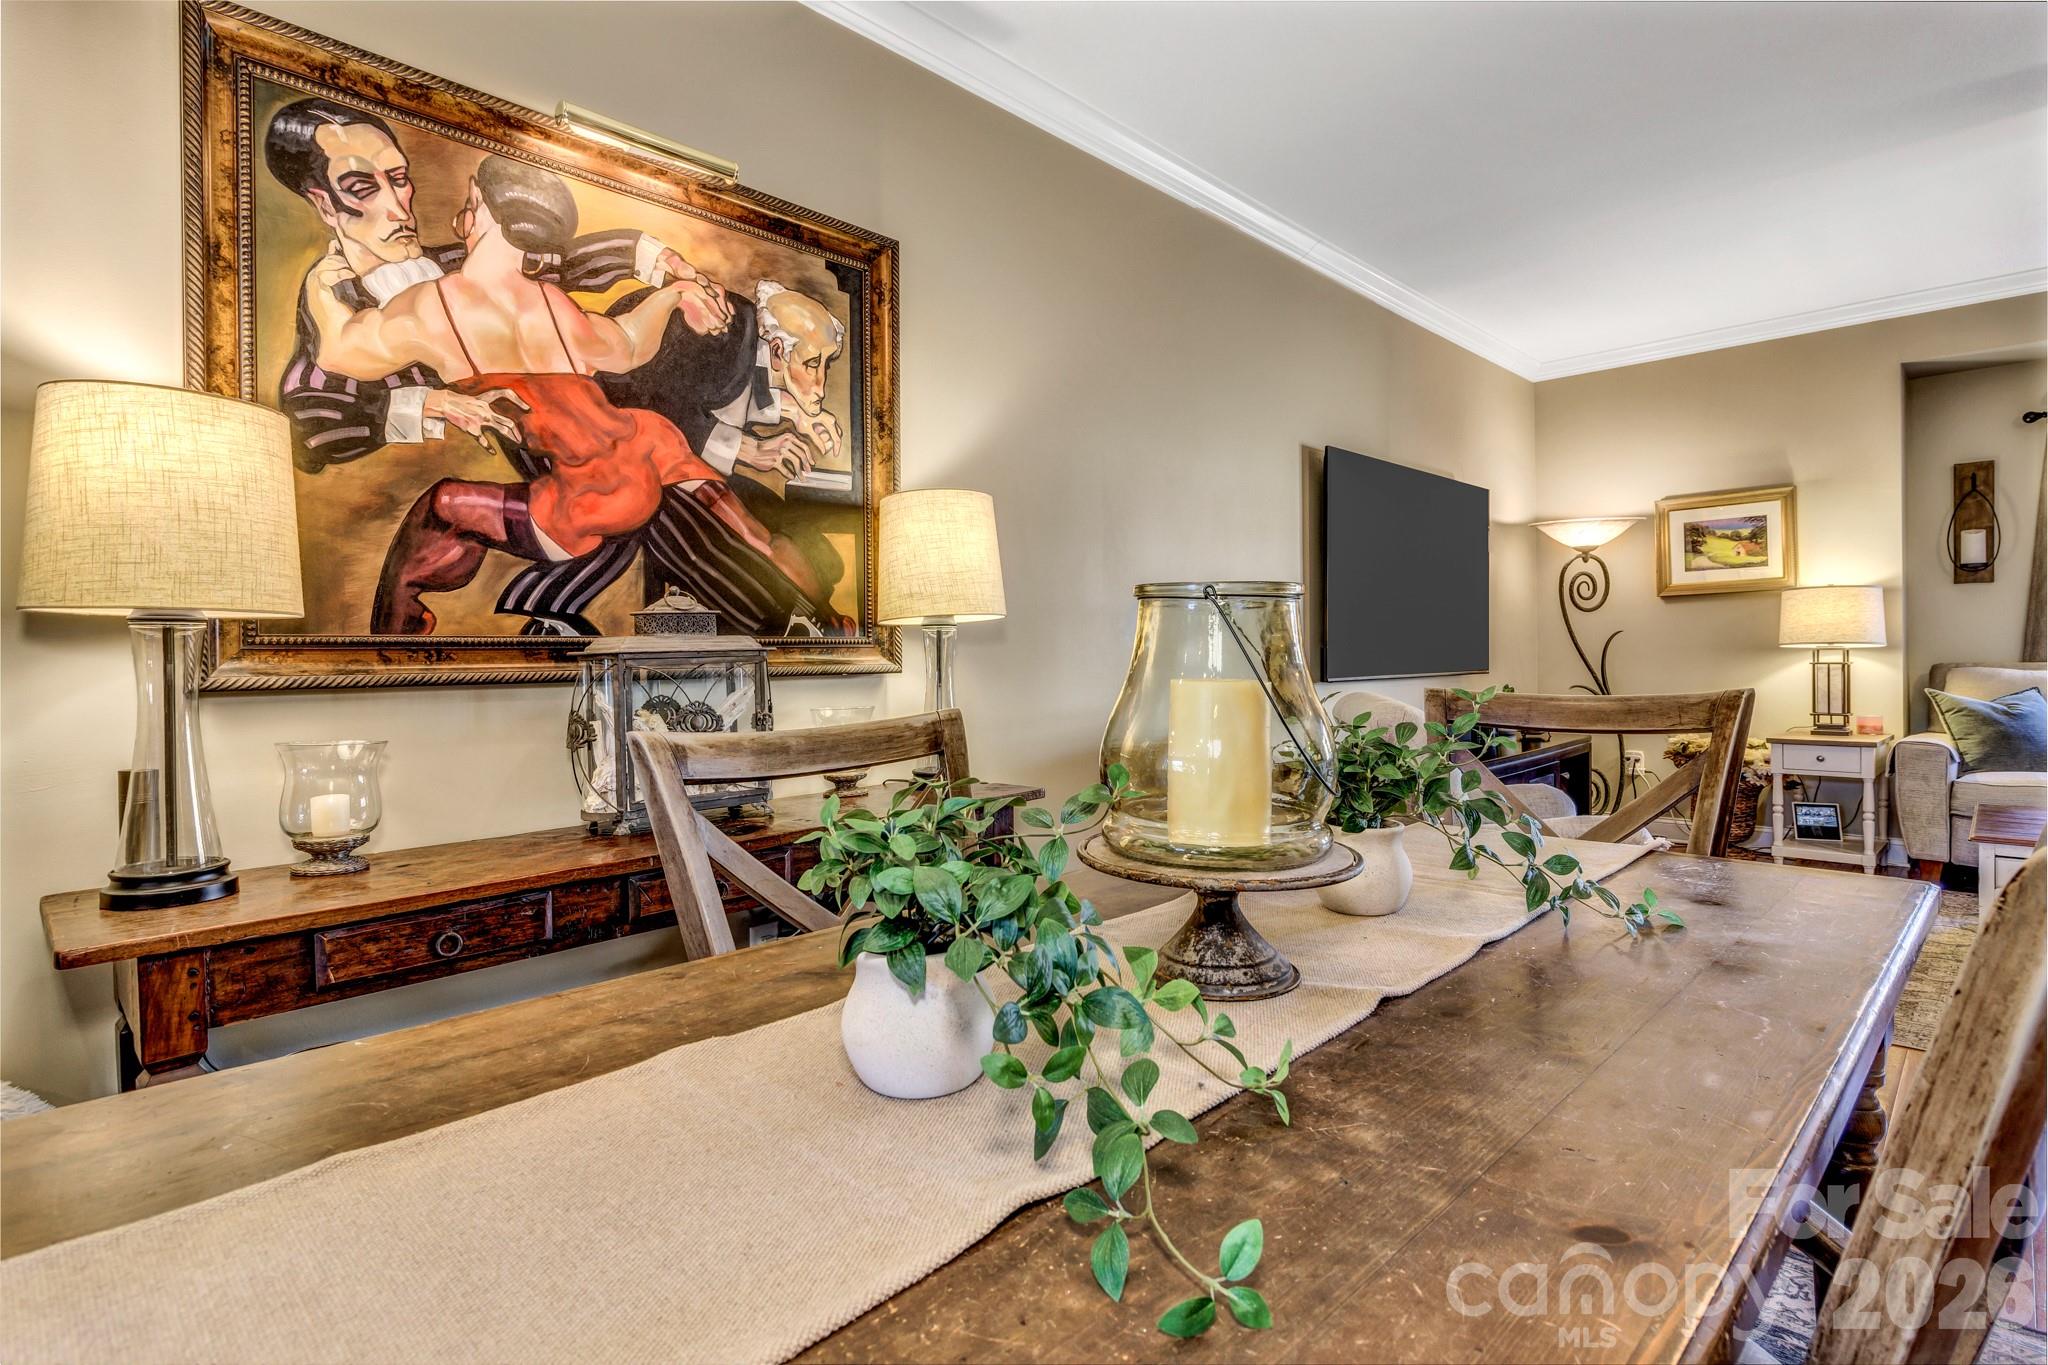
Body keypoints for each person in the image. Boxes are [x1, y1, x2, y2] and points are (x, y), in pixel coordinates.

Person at [303, 155, 833, 636]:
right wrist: (673, 295)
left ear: (486, 214)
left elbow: (340, 354)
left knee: (442, 505)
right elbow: (625, 345)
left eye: (468, 209)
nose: (460, 222)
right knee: (757, 537)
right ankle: (828, 624)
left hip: (590, 496)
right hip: (651, 443)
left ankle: (395, 643)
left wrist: (320, 292)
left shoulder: (431, 308)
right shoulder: (554, 304)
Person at [264, 96, 730, 471]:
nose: (396, 206)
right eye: (363, 188)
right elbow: (307, 418)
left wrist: (662, 262)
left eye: (399, 178)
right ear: (325, 206)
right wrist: (430, 404)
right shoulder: (335, 301)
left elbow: (557, 257)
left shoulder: (460, 265)